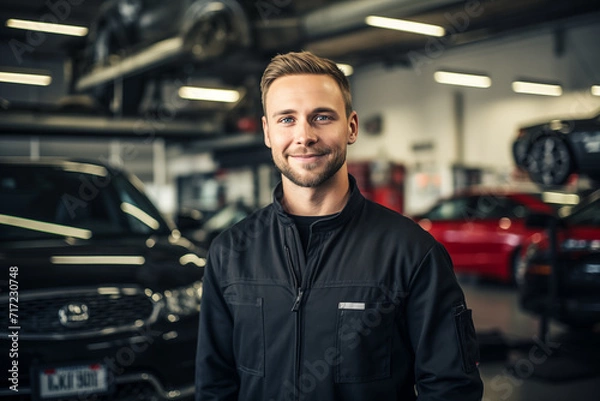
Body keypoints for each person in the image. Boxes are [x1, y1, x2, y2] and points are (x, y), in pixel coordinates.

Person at [195, 51, 483, 401]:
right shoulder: (229, 254)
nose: (304, 136)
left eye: (321, 117)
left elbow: (451, 389)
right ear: (267, 132)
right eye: (287, 119)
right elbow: (215, 387)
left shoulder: (412, 253)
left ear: (351, 127)